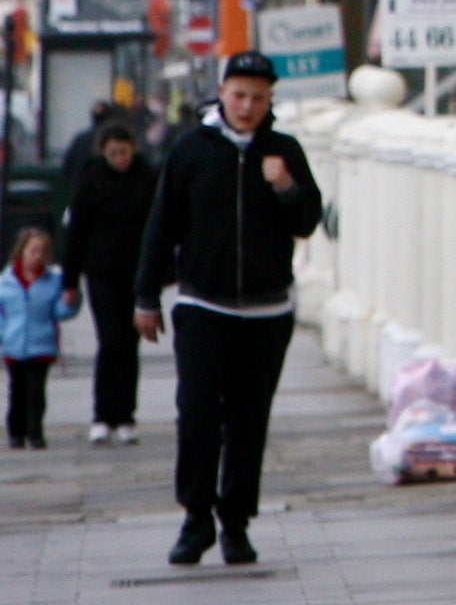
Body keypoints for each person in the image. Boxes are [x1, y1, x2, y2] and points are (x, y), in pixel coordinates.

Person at [134, 54, 323, 568]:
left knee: (248, 420)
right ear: (222, 92)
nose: (247, 107)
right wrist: (146, 296)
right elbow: (161, 223)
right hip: (203, 304)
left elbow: (309, 221)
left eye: (259, 98)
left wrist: (284, 186)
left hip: (267, 312)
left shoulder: (284, 151)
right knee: (196, 415)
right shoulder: (192, 149)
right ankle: (196, 520)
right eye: (240, 95)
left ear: (270, 102)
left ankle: (236, 524)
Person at [60, 118, 154, 443]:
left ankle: (126, 416)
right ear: (103, 152)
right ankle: (103, 415)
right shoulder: (90, 179)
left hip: (137, 273)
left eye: (124, 152)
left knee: (130, 343)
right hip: (101, 273)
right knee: (110, 340)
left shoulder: (147, 177)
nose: (120, 159)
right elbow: (77, 232)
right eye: (113, 153)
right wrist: (69, 281)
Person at [1, 224, 79, 448]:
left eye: (43, 251)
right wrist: (3, 333)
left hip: (42, 343)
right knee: (17, 391)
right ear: (21, 252)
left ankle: (35, 432)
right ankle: (16, 433)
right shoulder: (6, 281)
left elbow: (59, 312)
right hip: (14, 343)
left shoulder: (53, 281)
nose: (38, 257)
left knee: (36, 392)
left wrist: (70, 301)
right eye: (33, 251)